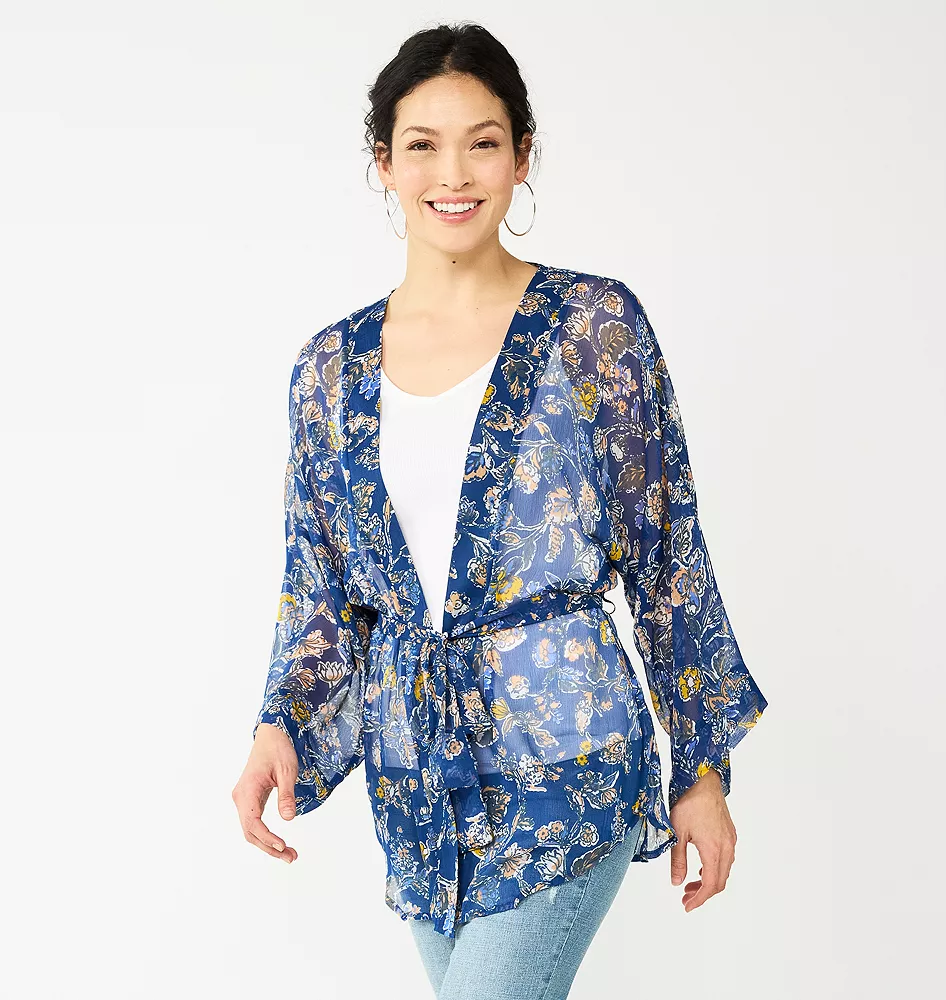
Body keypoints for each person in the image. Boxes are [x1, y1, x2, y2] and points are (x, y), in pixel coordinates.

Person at [231, 21, 768, 1000]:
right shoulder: (329, 370)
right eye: (422, 144)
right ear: (383, 163)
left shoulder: (592, 328)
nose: (453, 173)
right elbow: (318, 582)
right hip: (419, 787)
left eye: (482, 142)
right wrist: (281, 726)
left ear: (522, 156)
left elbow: (667, 554)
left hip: (569, 754)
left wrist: (701, 772)